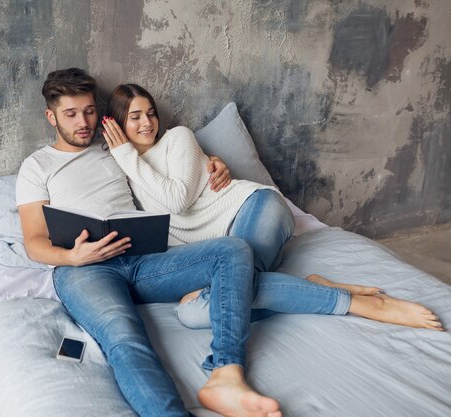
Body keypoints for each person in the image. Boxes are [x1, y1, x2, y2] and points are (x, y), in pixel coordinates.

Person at [16, 68, 284, 417]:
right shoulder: (37, 166)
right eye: (71, 114)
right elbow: (34, 242)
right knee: (124, 336)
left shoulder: (116, 147)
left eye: (89, 111)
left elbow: (170, 164)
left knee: (234, 249)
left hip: (142, 258)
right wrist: (74, 257)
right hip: (85, 269)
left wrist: (215, 163)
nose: (83, 122)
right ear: (51, 116)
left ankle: (226, 373)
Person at [101, 83, 444, 332]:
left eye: (150, 114)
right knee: (192, 314)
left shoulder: (178, 138)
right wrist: (126, 160)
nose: (147, 123)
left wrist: (129, 155)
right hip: (222, 252)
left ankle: (359, 304)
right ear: (117, 124)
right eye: (134, 117)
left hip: (253, 209)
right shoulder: (125, 174)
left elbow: (177, 199)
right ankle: (315, 286)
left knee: (224, 297)